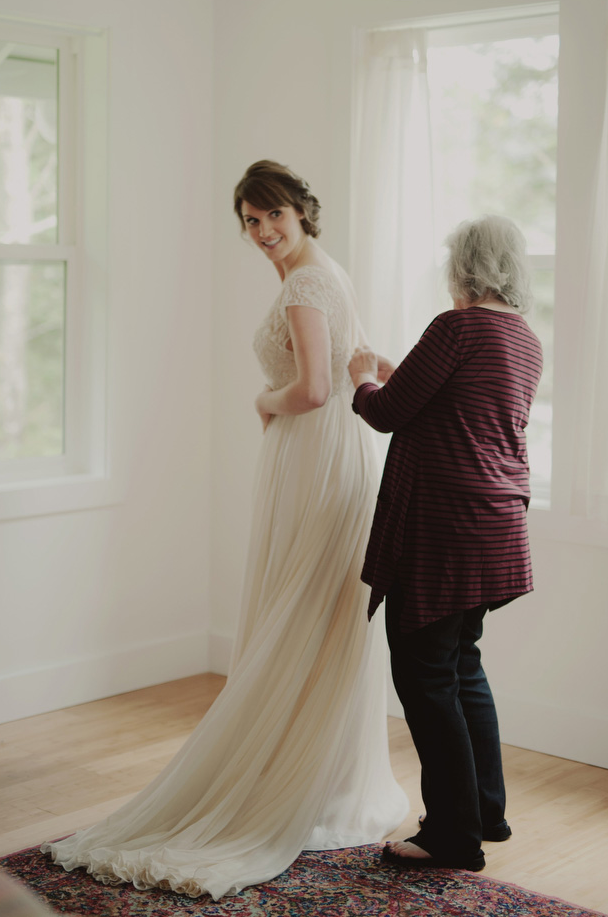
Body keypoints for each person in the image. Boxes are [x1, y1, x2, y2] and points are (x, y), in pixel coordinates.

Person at [41, 160, 407, 899]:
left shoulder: (306, 281)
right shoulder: (324, 271)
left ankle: (286, 776)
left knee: (300, 613)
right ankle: (316, 773)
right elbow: (355, 366)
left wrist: (264, 401)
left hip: (317, 455)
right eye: (250, 221)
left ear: (301, 211)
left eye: (273, 216)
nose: (264, 232)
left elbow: (309, 388)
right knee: (312, 616)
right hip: (334, 455)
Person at [348, 215, 543, 873]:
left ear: (464, 267)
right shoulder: (525, 339)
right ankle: (485, 811)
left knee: (425, 675)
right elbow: (462, 407)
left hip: (444, 527)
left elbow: (386, 413)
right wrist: (398, 376)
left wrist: (361, 378)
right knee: (462, 666)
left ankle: (452, 837)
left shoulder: (455, 326)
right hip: (497, 524)